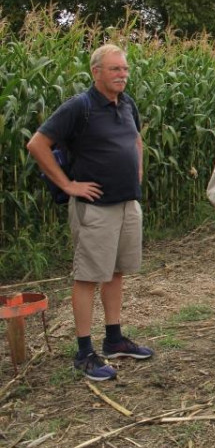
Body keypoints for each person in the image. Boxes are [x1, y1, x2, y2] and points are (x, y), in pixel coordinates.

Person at [26, 44, 153, 382]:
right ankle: (84, 352)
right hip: (95, 209)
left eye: (125, 69)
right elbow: (37, 144)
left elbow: (136, 140)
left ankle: (114, 340)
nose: (122, 75)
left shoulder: (127, 105)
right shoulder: (79, 107)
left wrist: (137, 170)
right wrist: (69, 185)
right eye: (114, 69)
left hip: (127, 203)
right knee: (87, 277)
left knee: (116, 272)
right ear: (96, 71)